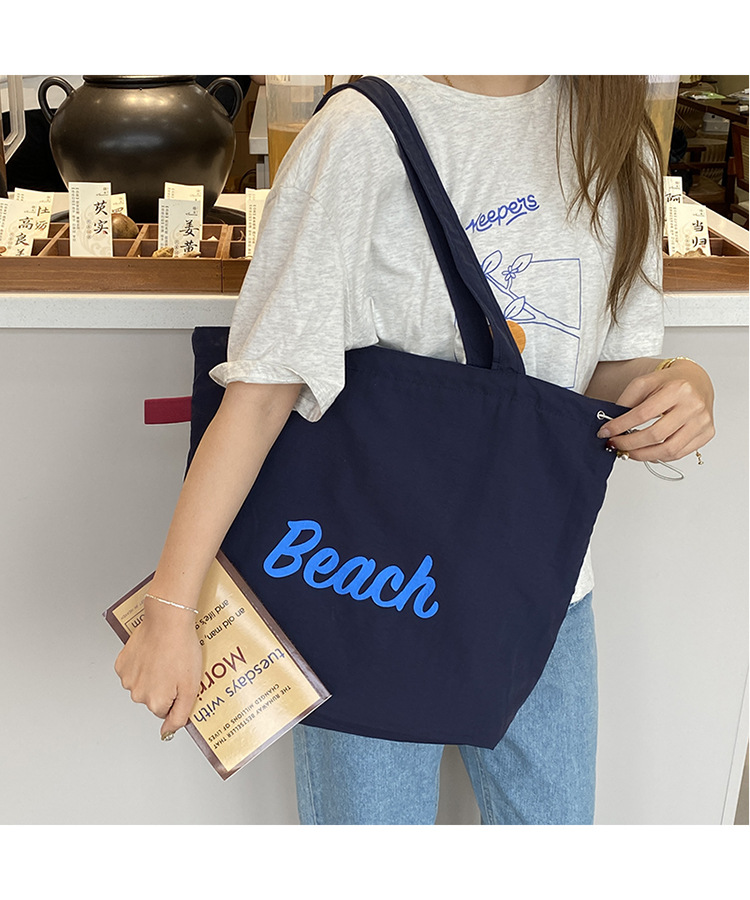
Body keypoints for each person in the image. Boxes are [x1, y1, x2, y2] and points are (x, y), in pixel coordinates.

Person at [114, 75, 716, 825]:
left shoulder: (616, 136)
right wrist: (172, 608)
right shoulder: (361, 131)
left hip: (544, 587)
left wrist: (678, 382)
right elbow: (266, 390)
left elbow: (590, 376)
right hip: (374, 592)